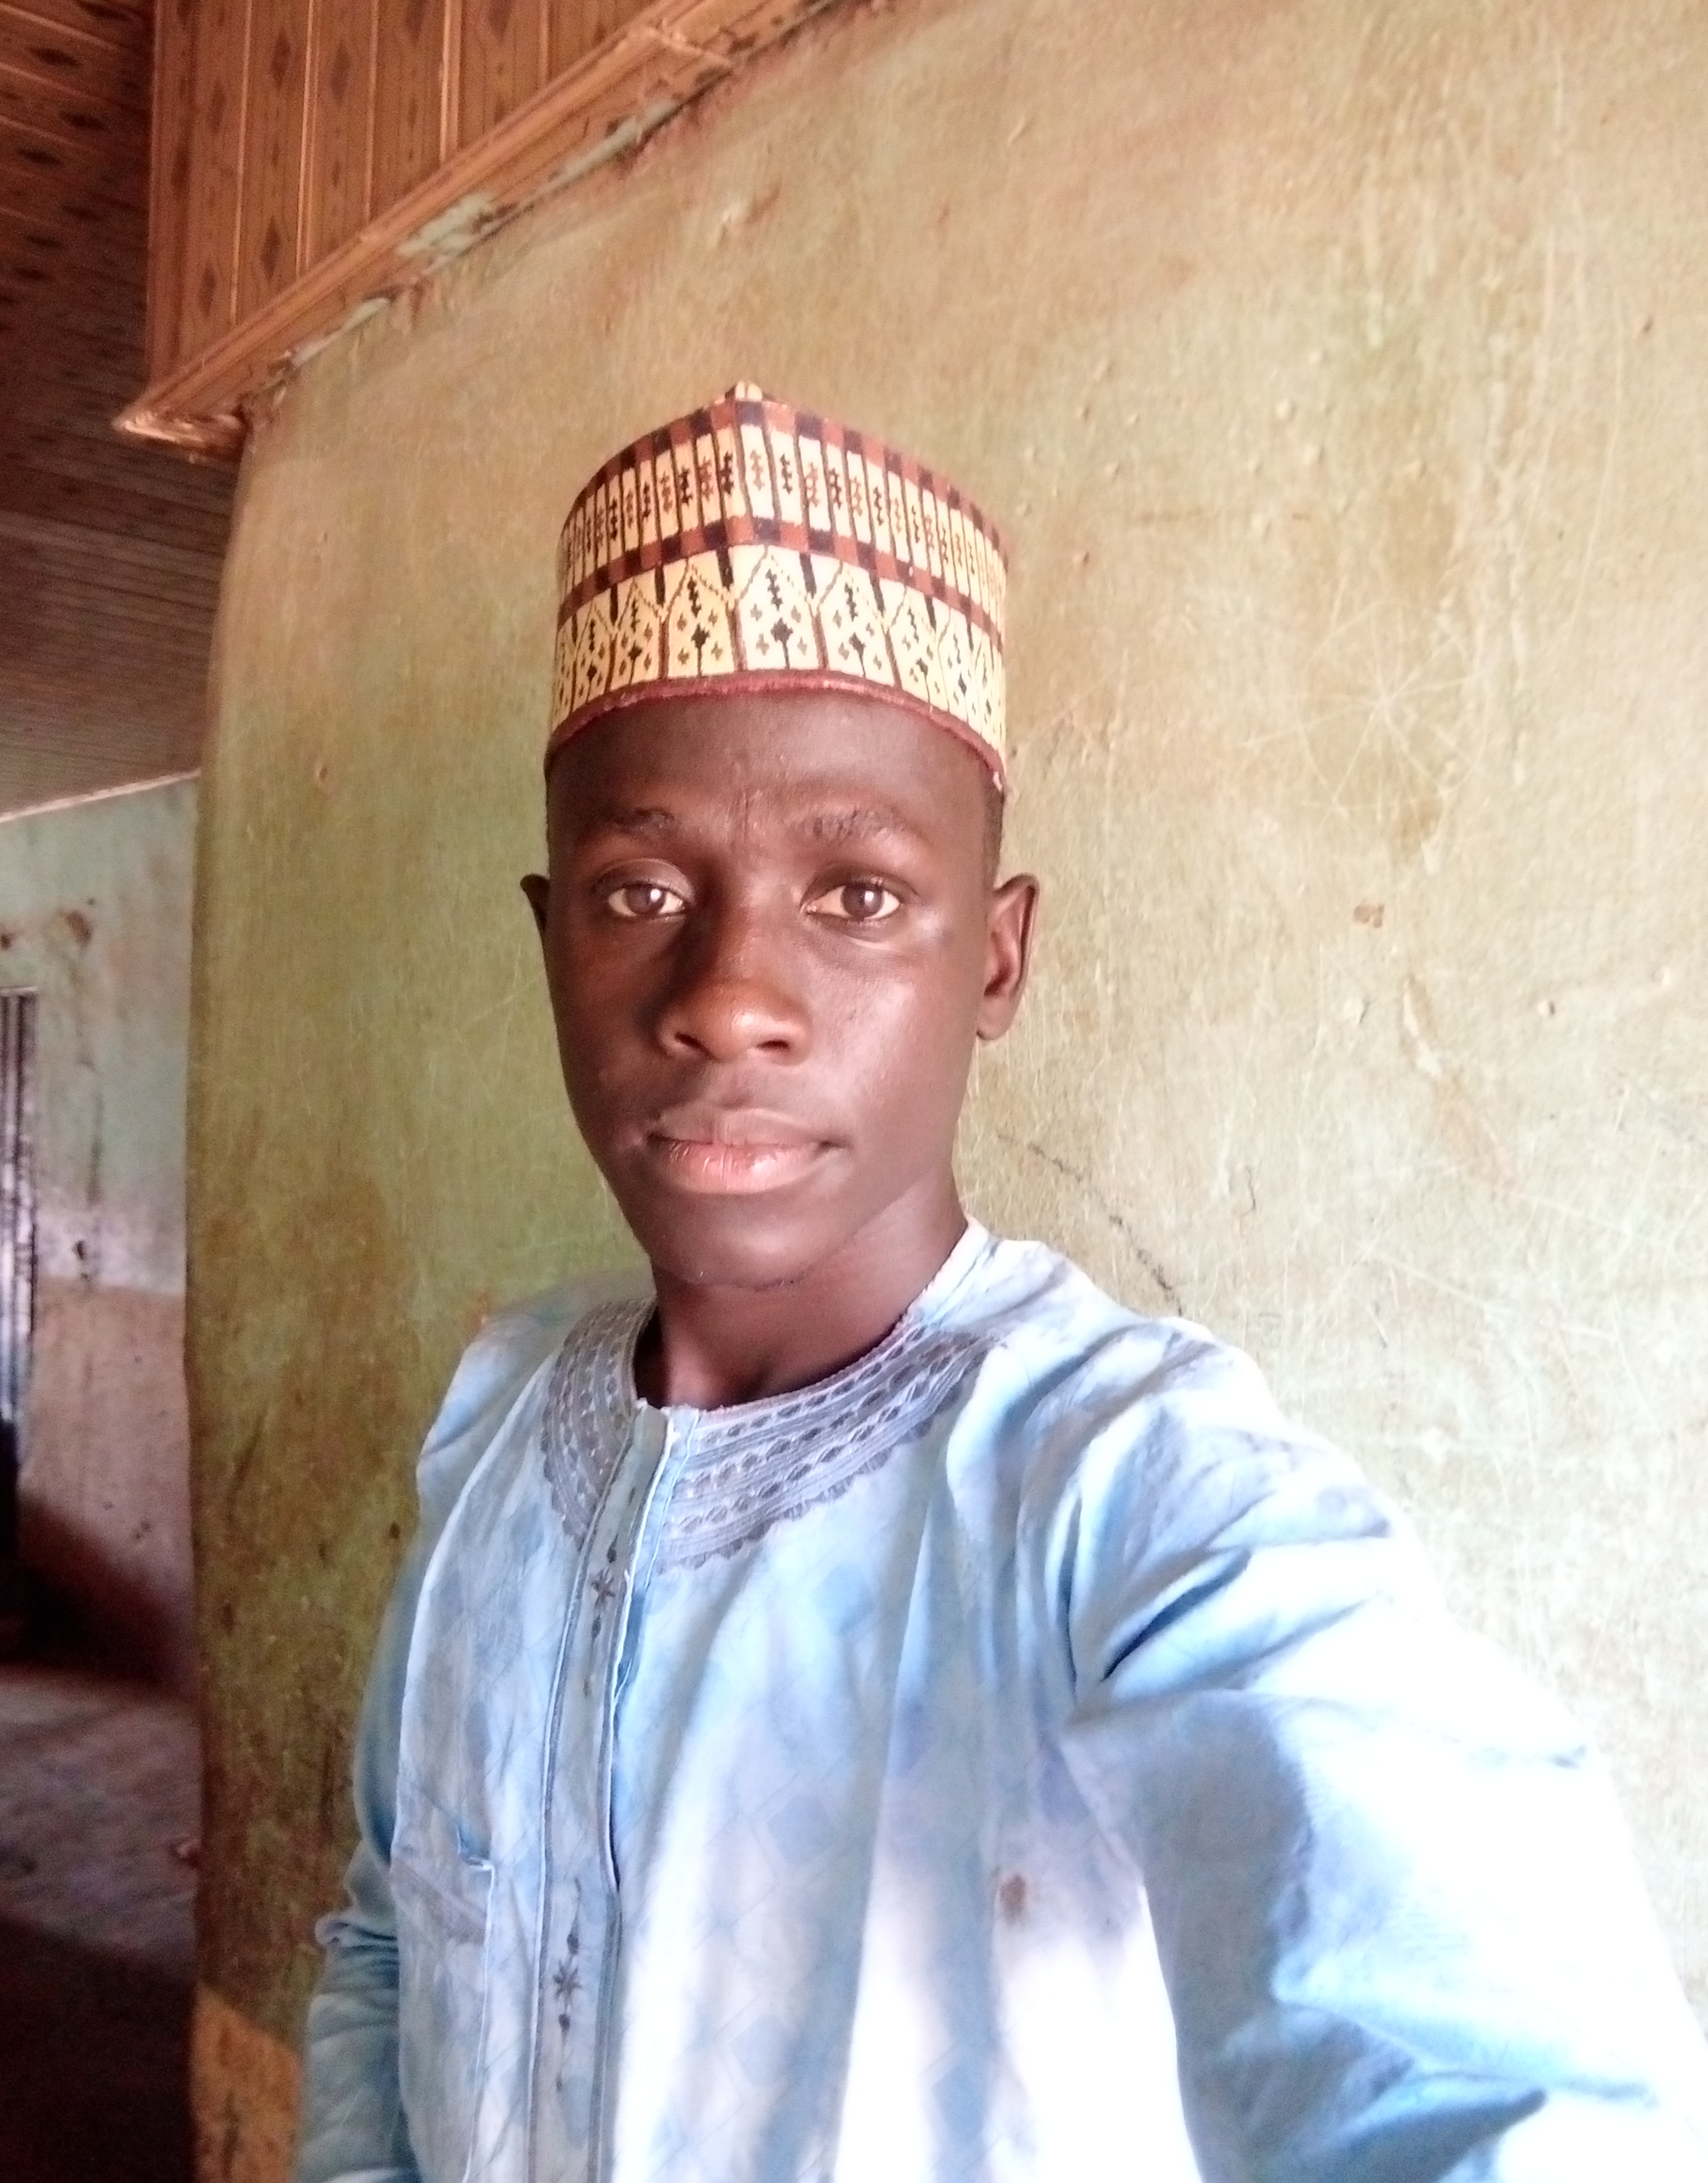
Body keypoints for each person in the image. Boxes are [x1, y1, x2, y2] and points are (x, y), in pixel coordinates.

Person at [296, 384, 1708, 2183]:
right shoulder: (502, 1418)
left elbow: (1492, 2088)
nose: (728, 998)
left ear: (997, 958)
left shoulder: (1134, 1490)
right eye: (637, 891)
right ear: (547, 938)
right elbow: (388, 1941)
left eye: (859, 896)